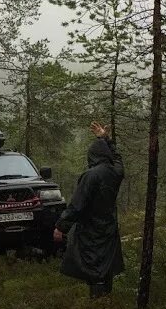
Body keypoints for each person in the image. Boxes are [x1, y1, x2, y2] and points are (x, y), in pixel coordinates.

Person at [53, 122, 125, 298]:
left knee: (93, 267)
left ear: (92, 156)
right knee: (105, 266)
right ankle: (105, 303)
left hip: (91, 229)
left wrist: (61, 226)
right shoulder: (115, 172)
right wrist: (105, 139)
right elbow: (117, 158)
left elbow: (77, 205)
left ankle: (98, 307)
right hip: (109, 227)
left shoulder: (91, 175)